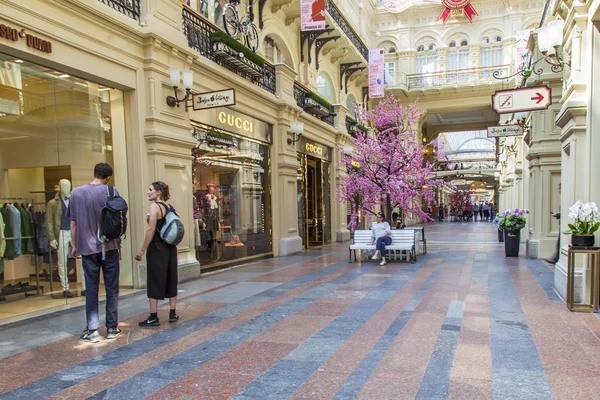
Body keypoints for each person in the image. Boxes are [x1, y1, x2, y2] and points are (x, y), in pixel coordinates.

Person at [69, 163, 121, 343]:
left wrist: (75, 245)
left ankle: (92, 331)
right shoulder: (111, 192)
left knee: (91, 288)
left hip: (87, 248)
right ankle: (112, 327)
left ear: (94, 174)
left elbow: (73, 224)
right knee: (111, 287)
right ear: (108, 178)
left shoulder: (76, 193)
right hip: (110, 246)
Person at [135, 182, 179, 327]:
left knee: (154, 279)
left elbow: (151, 229)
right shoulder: (169, 207)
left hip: (157, 247)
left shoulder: (155, 207)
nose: (148, 192)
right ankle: (173, 313)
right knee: (171, 277)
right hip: (170, 247)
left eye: (150, 190)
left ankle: (153, 316)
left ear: (158, 192)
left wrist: (142, 250)